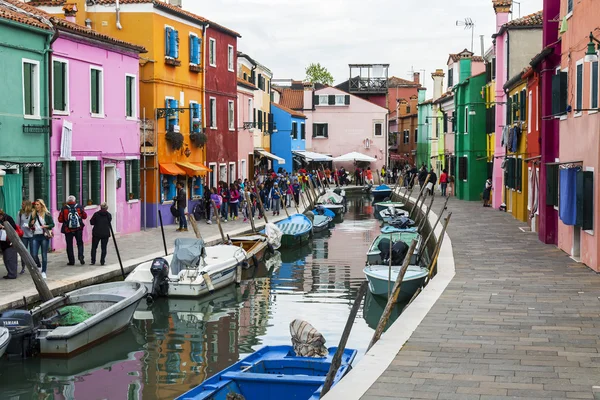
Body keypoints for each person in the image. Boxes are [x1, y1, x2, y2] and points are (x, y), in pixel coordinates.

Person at [58, 195, 87, 265]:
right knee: (80, 243)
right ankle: (80, 256)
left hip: (68, 229)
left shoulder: (64, 208)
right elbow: (85, 216)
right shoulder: (79, 207)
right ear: (75, 200)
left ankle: (71, 261)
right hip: (78, 229)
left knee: (69, 245)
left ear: (67, 201)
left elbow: (60, 220)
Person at [29, 199, 54, 278]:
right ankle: (39, 266)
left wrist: (46, 226)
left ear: (41, 205)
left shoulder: (47, 214)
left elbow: (52, 224)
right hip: (35, 236)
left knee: (44, 255)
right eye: (35, 205)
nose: (36, 206)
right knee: (34, 254)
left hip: (44, 236)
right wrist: (31, 224)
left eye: (38, 204)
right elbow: (30, 225)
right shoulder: (33, 214)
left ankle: (44, 271)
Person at [0, 208, 18, 279]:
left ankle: (12, 274)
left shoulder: (8, 218)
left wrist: (3, 227)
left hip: (10, 241)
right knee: (6, 258)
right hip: (3, 242)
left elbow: (13, 227)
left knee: (10, 258)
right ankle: (10, 273)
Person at [18, 200, 34, 274]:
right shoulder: (20, 213)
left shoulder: (33, 213)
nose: (21, 205)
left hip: (32, 235)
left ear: (27, 205)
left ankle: (33, 267)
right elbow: (18, 224)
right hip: (23, 235)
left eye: (23, 204)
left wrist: (31, 226)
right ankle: (23, 267)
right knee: (23, 252)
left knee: (33, 252)